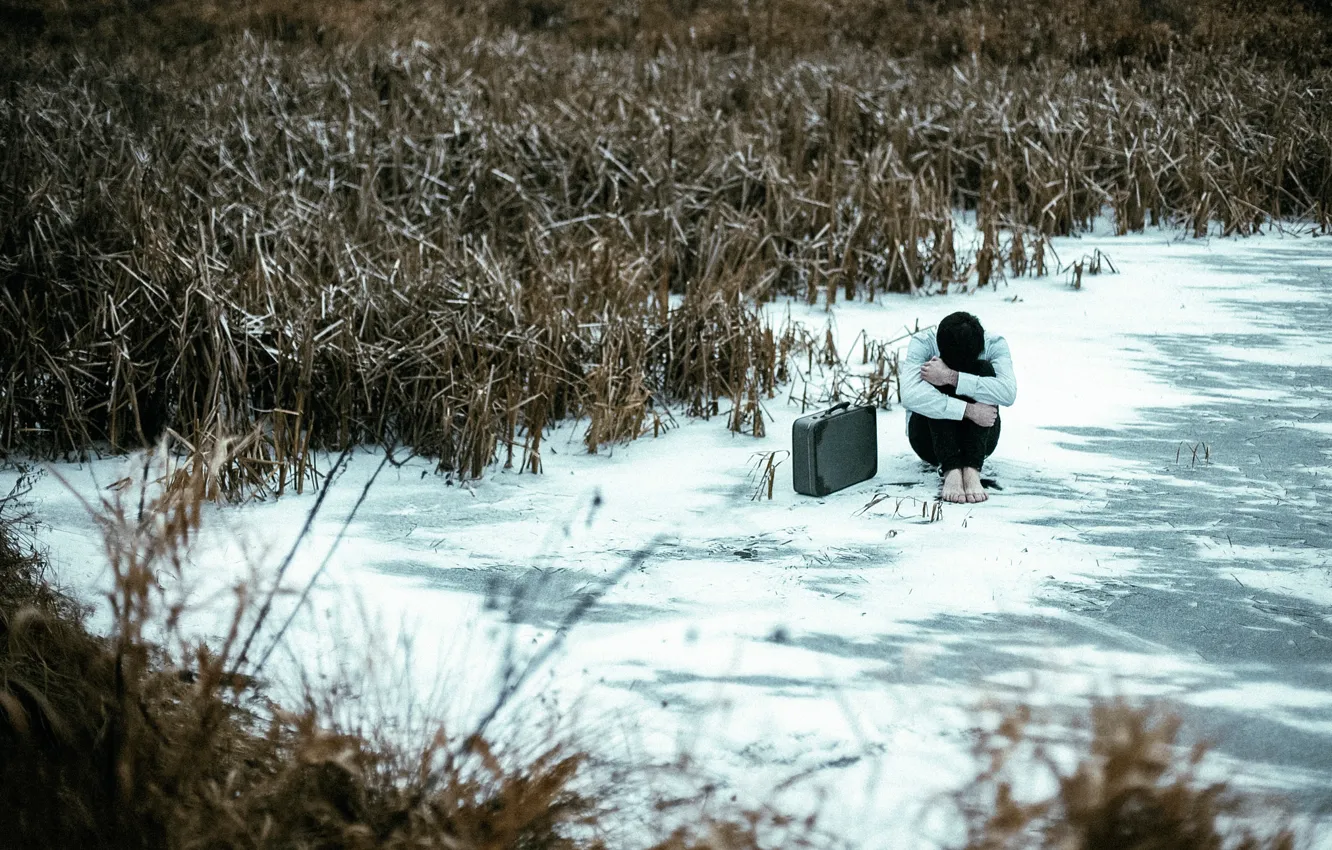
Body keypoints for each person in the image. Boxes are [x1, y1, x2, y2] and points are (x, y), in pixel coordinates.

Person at [901, 311, 1016, 504]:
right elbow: (909, 395)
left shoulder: (994, 344)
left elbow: (1007, 394)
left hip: (981, 442)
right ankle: (951, 470)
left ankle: (972, 469)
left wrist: (951, 376)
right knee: (932, 370)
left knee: (985, 371)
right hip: (928, 442)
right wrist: (969, 411)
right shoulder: (923, 343)